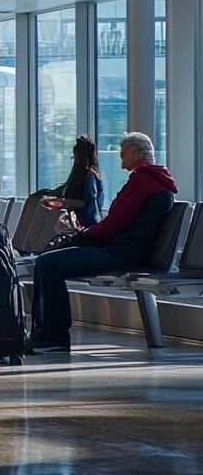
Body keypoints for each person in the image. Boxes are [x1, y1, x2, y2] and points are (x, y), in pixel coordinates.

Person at [31, 133, 176, 353]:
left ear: (136, 153)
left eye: (123, 150)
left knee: (47, 263)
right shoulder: (156, 182)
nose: (120, 156)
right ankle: (46, 335)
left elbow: (116, 221)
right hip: (126, 251)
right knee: (48, 261)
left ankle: (53, 336)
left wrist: (82, 237)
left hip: (120, 254)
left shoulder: (141, 181)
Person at [42, 135, 105, 228]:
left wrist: (60, 201)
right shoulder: (89, 176)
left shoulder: (88, 177)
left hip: (87, 225)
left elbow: (85, 203)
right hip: (83, 223)